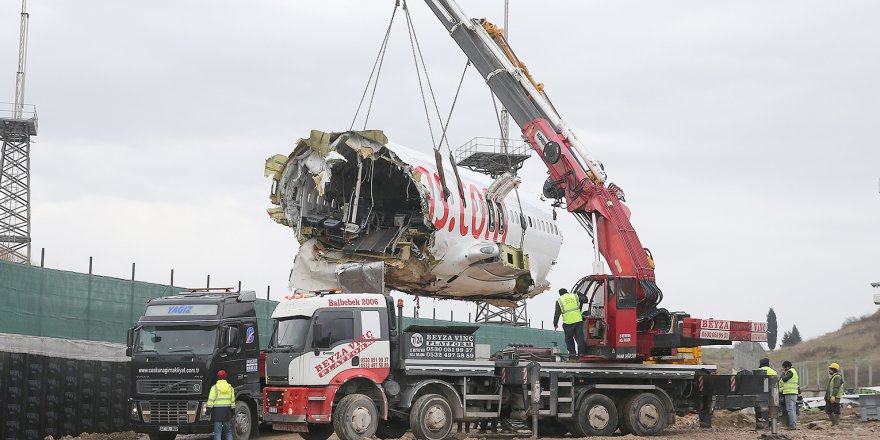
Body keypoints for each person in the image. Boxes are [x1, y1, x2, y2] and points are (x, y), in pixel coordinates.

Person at [553, 288, 586, 357]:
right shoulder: (574, 296)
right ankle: (581, 353)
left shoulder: (559, 300)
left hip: (568, 323)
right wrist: (580, 294)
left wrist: (555, 323)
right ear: (567, 292)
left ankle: (572, 354)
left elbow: (557, 313)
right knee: (580, 337)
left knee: (569, 339)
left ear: (560, 294)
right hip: (578, 320)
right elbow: (585, 300)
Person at [207, 370, 236, 440]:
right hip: (227, 413)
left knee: (217, 432)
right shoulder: (230, 388)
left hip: (217, 413)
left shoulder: (214, 388)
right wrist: (233, 412)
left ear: (217, 377)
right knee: (228, 432)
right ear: (226, 377)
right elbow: (233, 402)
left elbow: (210, 401)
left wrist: (207, 413)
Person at [755, 358, 777, 429]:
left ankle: (759, 424)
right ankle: (770, 424)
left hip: (761, 393)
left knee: (759, 409)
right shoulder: (773, 371)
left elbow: (756, 383)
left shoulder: (759, 371)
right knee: (771, 409)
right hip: (772, 393)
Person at [779, 360, 799, 430]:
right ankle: (793, 425)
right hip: (792, 393)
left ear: (786, 367)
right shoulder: (792, 371)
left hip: (790, 393)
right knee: (792, 409)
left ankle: (792, 426)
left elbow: (784, 379)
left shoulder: (790, 372)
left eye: (783, 367)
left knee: (790, 409)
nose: (782, 368)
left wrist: (783, 373)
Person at [825, 362, 845, 426]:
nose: (829, 371)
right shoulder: (834, 377)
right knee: (828, 411)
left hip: (834, 397)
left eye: (830, 369)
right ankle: (834, 424)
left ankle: (836, 424)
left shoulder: (837, 377)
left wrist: (833, 396)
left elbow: (836, 387)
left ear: (833, 369)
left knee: (836, 411)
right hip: (829, 397)